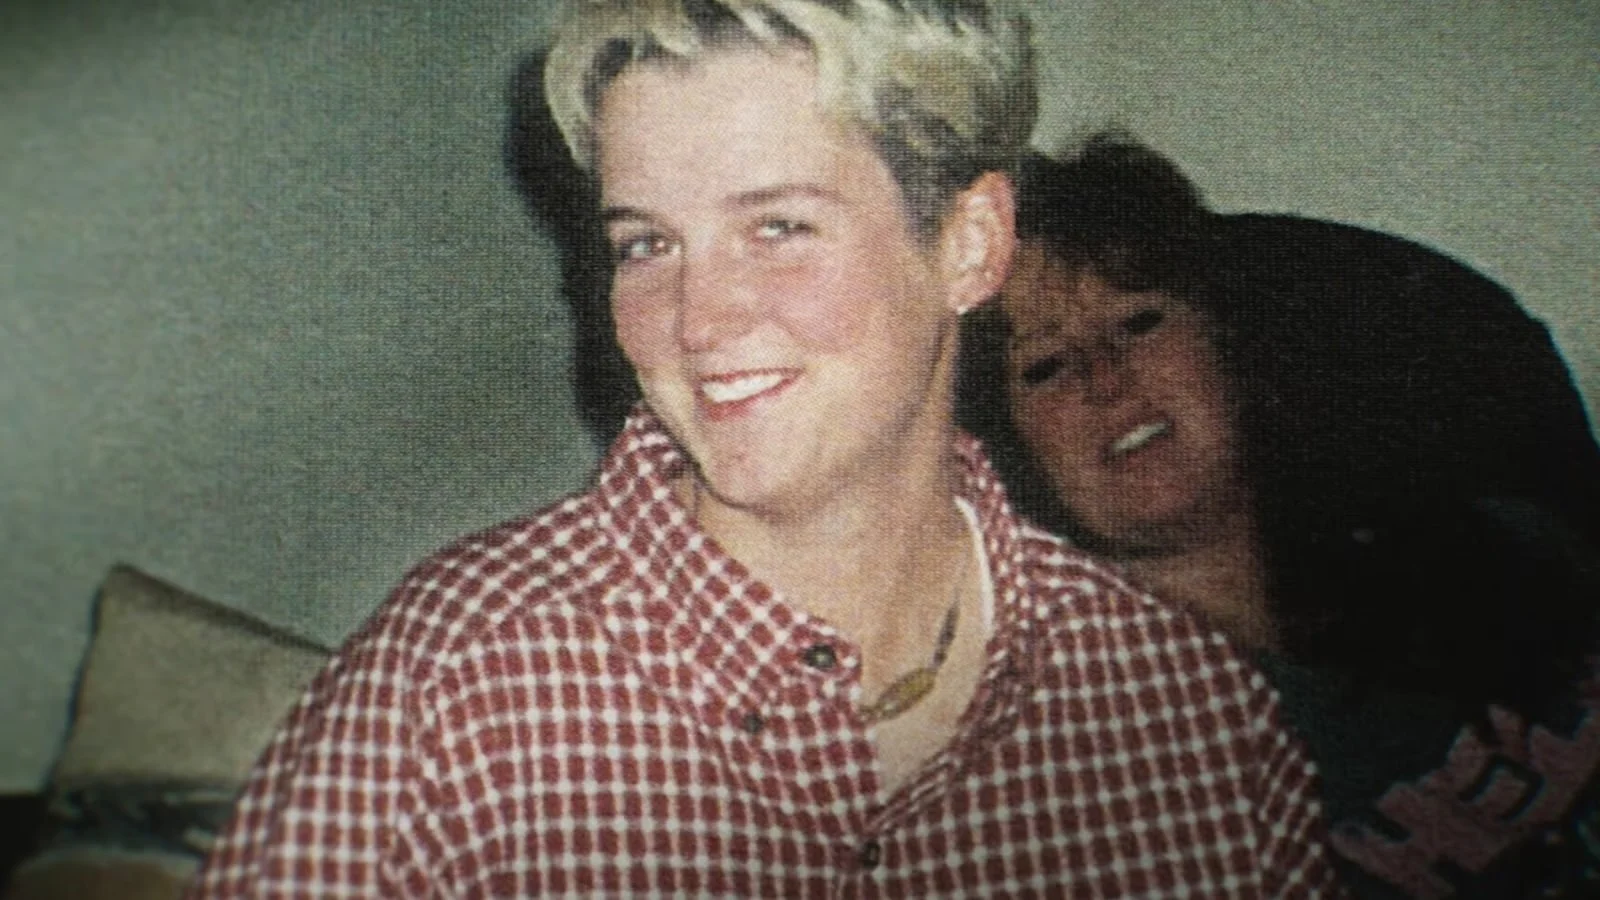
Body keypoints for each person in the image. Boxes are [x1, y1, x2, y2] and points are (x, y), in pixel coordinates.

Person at [188, 6, 1342, 897]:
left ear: (968, 242)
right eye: (646, 245)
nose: (696, 323)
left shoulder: (1192, 720)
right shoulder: (454, 683)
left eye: (777, 227)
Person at [964, 132, 1600, 898]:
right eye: (1045, 366)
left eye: (1139, 322)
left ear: (1226, 343)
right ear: (1013, 448)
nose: (1105, 378)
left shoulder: (1509, 546)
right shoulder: (1093, 792)